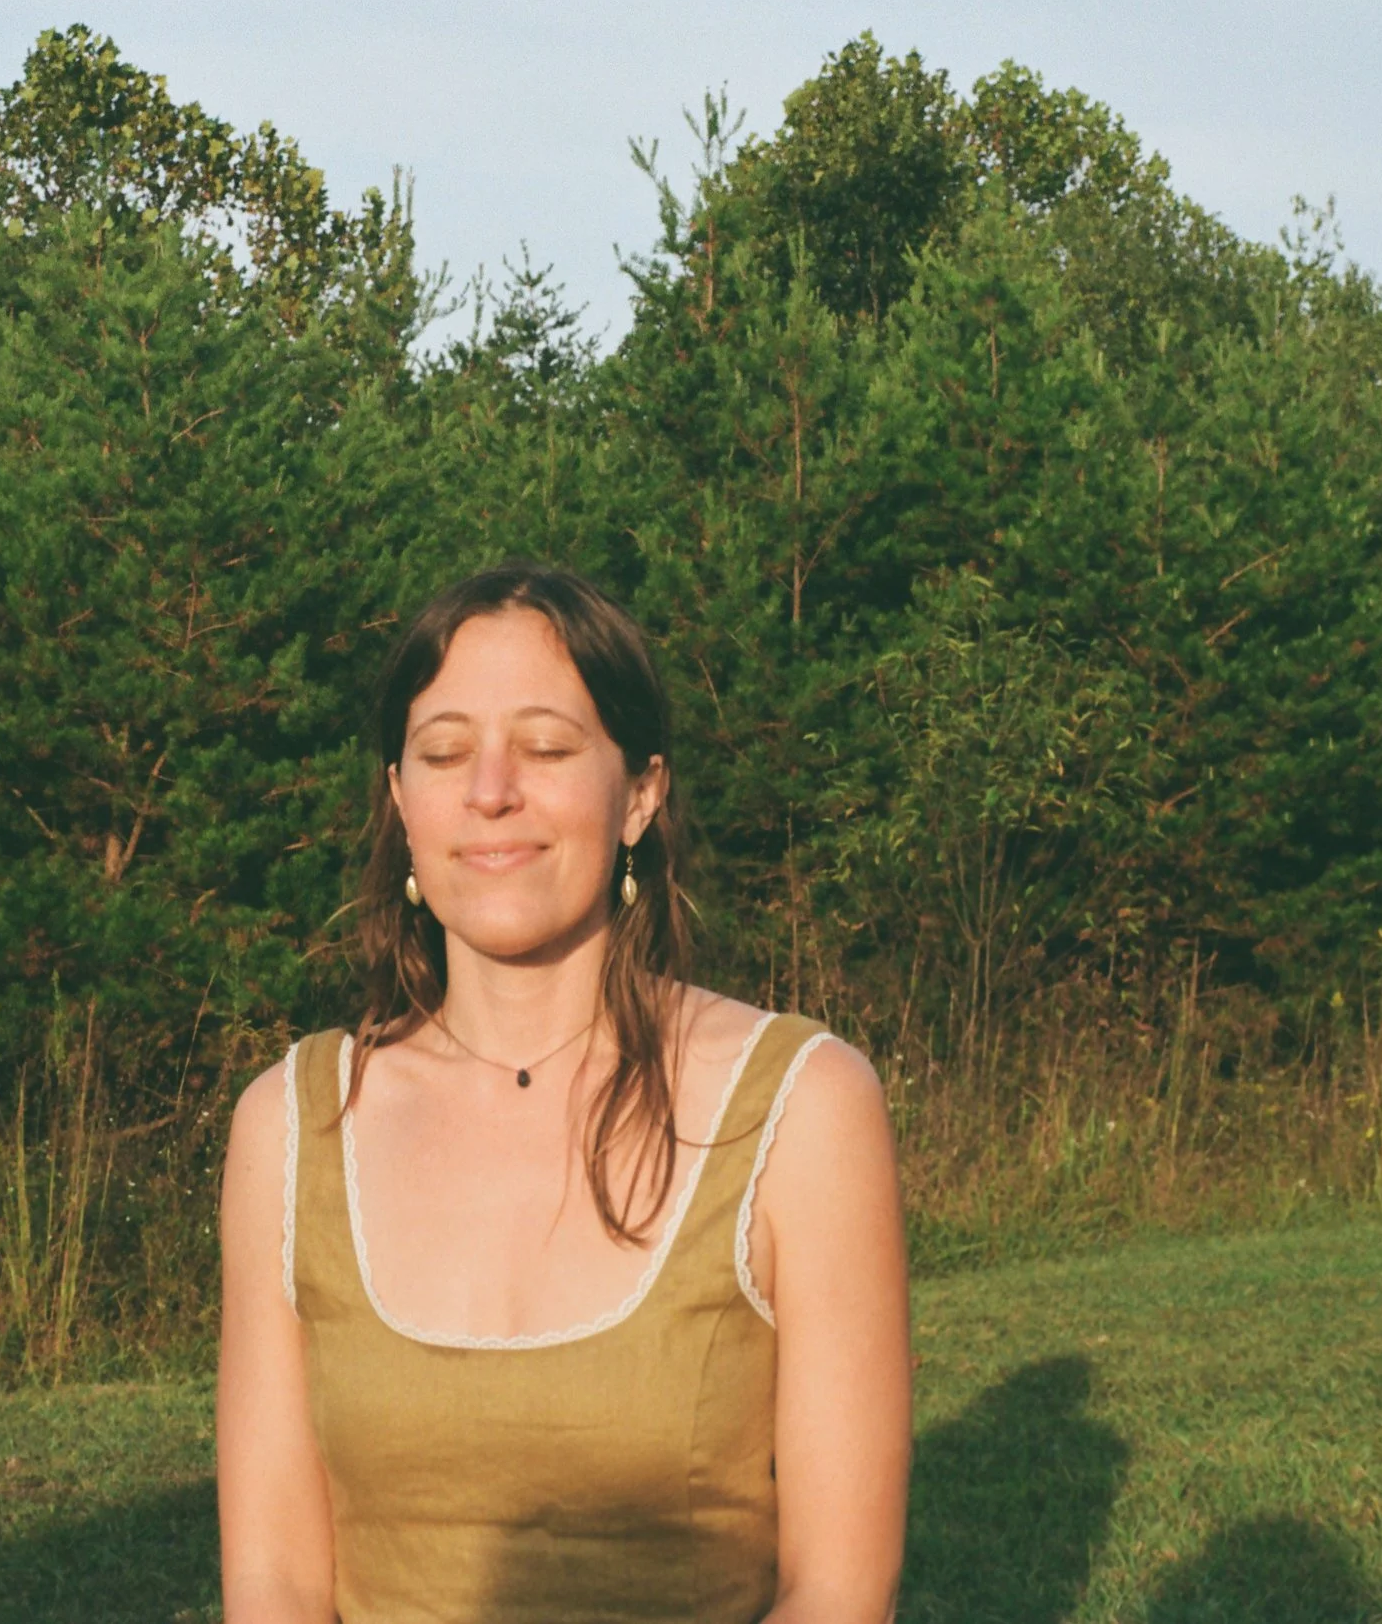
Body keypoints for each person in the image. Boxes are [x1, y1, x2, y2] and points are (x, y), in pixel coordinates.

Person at [218, 564, 912, 1621]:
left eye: (545, 747)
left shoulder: (802, 1106)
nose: (490, 788)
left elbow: (837, 1592)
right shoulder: (291, 1123)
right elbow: (273, 1586)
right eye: (445, 752)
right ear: (401, 800)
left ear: (638, 791)